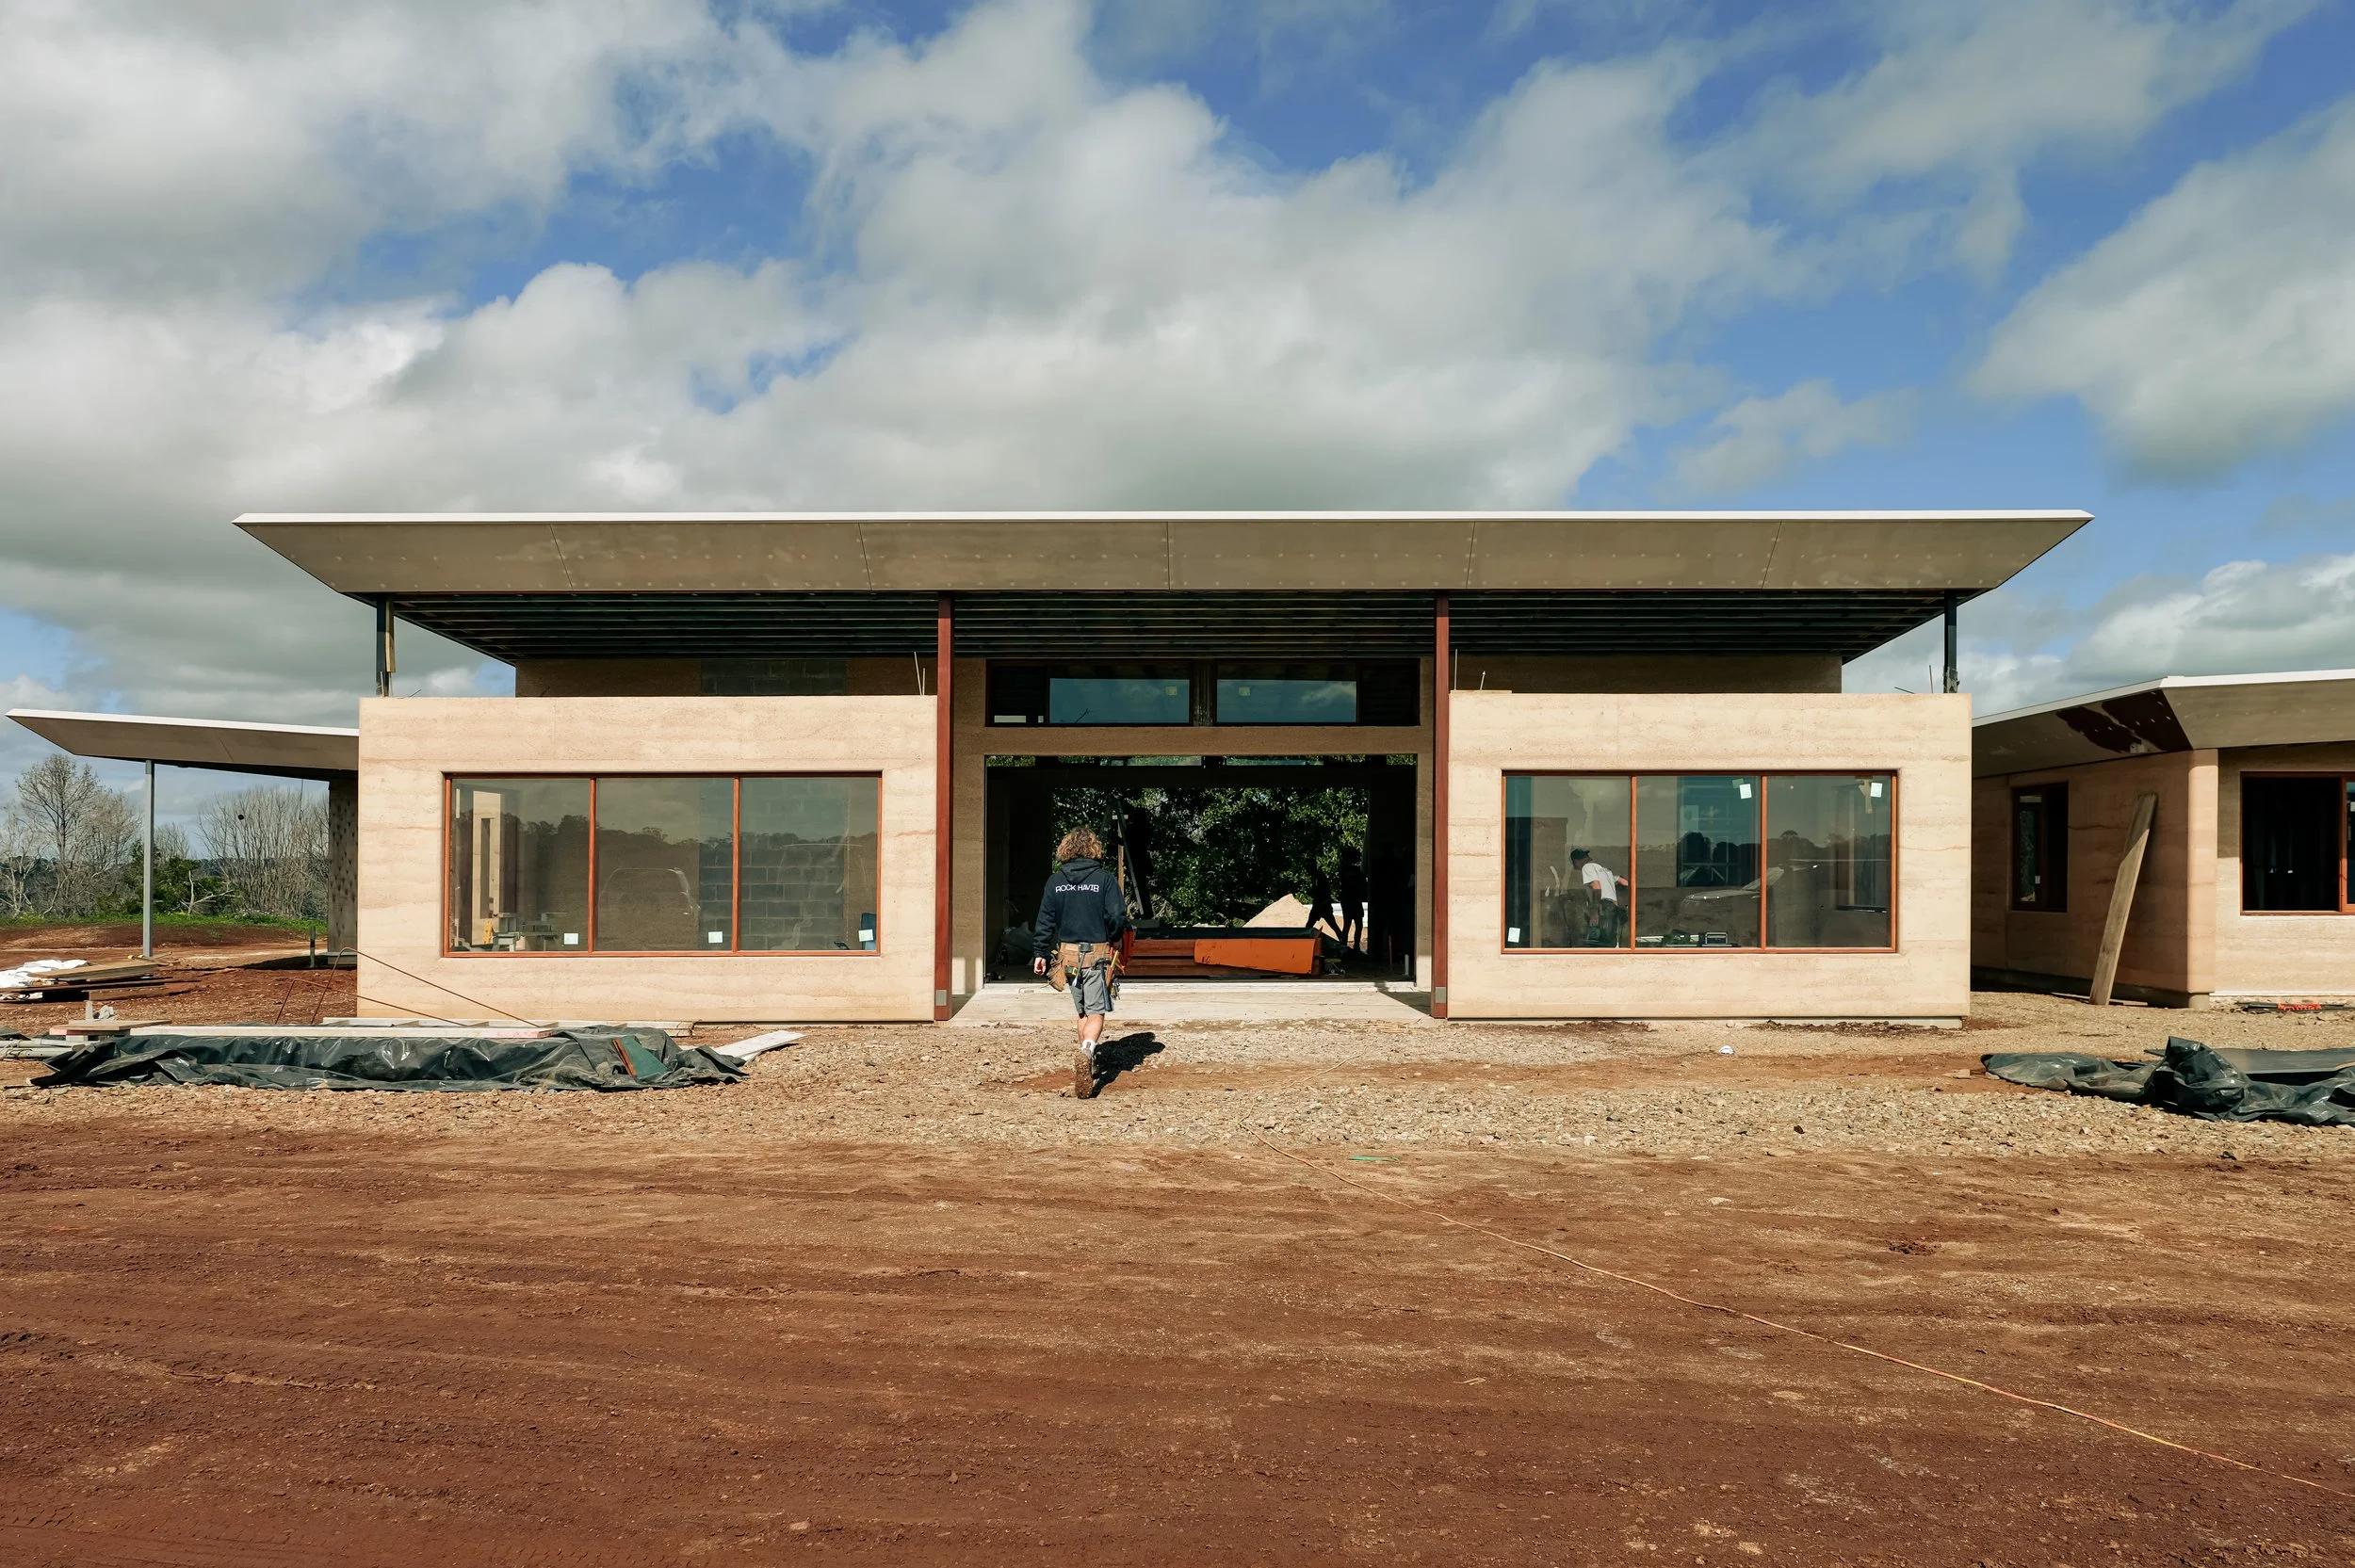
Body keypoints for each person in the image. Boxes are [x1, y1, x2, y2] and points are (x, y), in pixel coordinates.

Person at [1032, 827, 1129, 1099]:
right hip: (1097, 954)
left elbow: (1045, 920)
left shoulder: (1055, 881)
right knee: (1097, 1012)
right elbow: (1116, 915)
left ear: (1067, 849)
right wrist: (1116, 938)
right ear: (1093, 849)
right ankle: (1087, 1051)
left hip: (1068, 957)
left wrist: (1040, 952)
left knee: (1083, 1013)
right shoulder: (1104, 880)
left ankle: (1089, 1062)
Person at [1569, 848, 1627, 946]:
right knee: (1610, 940)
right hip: (1613, 906)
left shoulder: (1587, 868)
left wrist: (1594, 911)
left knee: (1600, 941)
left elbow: (1596, 886)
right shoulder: (1603, 869)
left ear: (1576, 861)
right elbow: (1625, 882)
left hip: (1603, 907)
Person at [1337, 845, 1368, 953]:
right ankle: (1349, 947)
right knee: (1352, 924)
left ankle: (1350, 947)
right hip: (1351, 899)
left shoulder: (1345, 868)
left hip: (1350, 899)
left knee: (1353, 924)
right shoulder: (1347, 869)